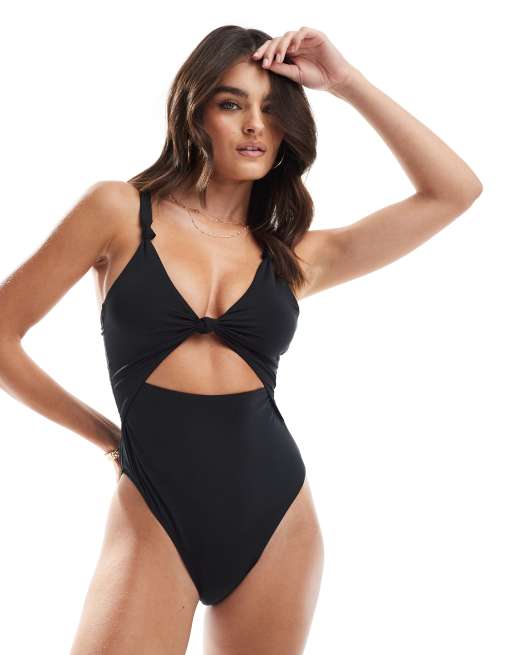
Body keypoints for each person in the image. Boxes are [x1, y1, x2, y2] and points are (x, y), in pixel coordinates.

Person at [0, 25, 482, 655]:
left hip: (276, 513)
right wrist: (109, 438)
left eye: (272, 110)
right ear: (194, 111)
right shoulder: (119, 212)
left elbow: (454, 191)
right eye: (232, 104)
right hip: (154, 504)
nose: (255, 125)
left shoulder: (296, 256)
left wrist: (347, 83)